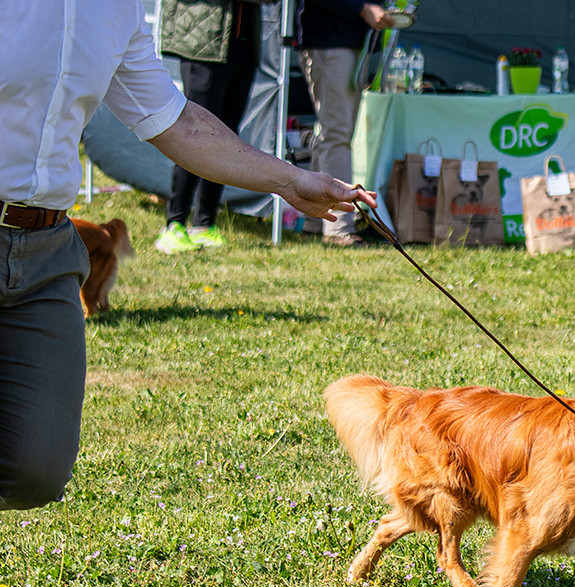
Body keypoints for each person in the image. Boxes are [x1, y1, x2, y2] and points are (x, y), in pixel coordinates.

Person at [0, 0, 376, 511]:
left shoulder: (114, 9)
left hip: (47, 250)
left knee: (36, 469)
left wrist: (290, 179)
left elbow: (174, 119)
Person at [155, 0, 270, 255]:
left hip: (242, 47)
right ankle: (174, 223)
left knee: (226, 137)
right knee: (195, 135)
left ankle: (205, 223)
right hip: (203, 46)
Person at [295, 0, 395, 247]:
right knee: (336, 135)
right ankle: (338, 227)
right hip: (329, 42)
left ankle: (315, 222)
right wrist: (363, 8)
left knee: (331, 133)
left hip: (347, 42)